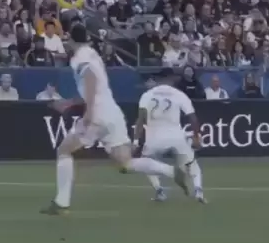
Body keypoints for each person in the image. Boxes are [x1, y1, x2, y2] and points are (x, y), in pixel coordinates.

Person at [40, 25, 183, 216]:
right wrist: (69, 103)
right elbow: (92, 87)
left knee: (64, 151)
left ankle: (61, 203)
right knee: (125, 163)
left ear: (71, 40)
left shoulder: (79, 58)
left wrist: (89, 112)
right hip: (112, 113)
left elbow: (90, 79)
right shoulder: (93, 54)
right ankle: (171, 171)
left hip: (97, 115)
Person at [133, 68, 206, 204]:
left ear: (158, 79)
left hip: (154, 139)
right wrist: (197, 136)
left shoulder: (147, 95)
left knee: (146, 163)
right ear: (171, 79)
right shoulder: (179, 94)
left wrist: (136, 142)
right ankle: (198, 191)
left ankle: (159, 191)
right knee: (192, 163)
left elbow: (141, 120)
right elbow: (193, 118)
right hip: (176, 137)